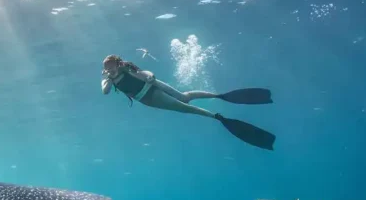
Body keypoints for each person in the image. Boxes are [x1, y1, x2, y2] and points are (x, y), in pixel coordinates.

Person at [101, 55, 276, 150]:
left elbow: (147, 74)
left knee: (185, 98)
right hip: (148, 97)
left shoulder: (128, 68)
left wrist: (142, 74)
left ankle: (218, 96)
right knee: (184, 107)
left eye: (112, 67)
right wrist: (109, 79)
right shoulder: (107, 79)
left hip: (153, 86)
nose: (110, 70)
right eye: (107, 68)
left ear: (118, 64)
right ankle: (216, 116)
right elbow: (105, 91)